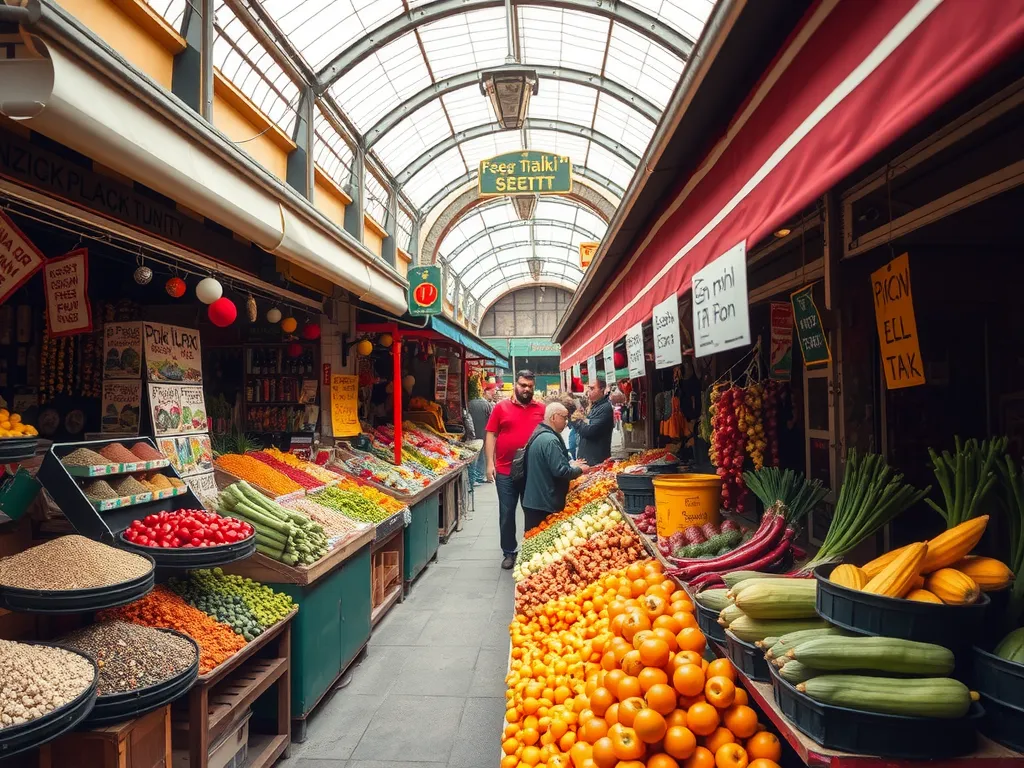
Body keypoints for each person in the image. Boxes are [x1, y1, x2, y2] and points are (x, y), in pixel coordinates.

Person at [485, 370, 545, 569]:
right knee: (507, 513)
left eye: (530, 386)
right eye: (522, 385)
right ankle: (509, 551)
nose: (526, 389)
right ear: (515, 384)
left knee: (533, 511)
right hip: (505, 471)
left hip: (532, 471)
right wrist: (489, 464)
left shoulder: (541, 409)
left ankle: (532, 549)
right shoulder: (500, 408)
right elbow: (491, 434)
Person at [522, 403, 588, 531]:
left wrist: (570, 464)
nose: (566, 422)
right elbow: (561, 471)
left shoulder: (542, 433)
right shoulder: (550, 440)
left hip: (536, 500)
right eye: (564, 417)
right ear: (553, 417)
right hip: (544, 503)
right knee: (538, 538)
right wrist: (580, 470)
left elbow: (550, 464)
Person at [573, 378, 614, 465]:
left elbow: (589, 430)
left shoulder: (605, 408)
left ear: (602, 389)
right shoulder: (595, 406)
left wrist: (578, 421)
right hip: (587, 459)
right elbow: (587, 425)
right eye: (589, 388)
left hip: (596, 461)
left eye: (592, 388)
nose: (589, 392)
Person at [468, 383, 494, 485]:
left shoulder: (469, 403)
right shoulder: (487, 405)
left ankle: (473, 477)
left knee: (473, 455)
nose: (493, 393)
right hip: (483, 433)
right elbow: (491, 420)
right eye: (491, 391)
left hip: (471, 433)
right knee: (481, 455)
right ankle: (479, 476)